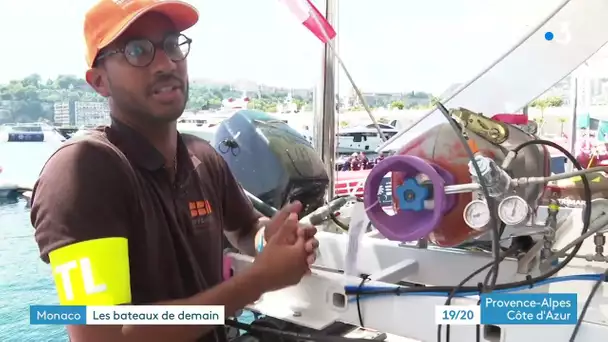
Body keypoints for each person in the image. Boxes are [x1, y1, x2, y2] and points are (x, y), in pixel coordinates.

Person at [29, 1, 318, 342]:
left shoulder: (202, 157)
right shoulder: (81, 171)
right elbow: (106, 334)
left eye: (171, 44)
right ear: (99, 81)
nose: (166, 63)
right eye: (138, 50)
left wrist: (267, 240)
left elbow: (244, 226)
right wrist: (259, 280)